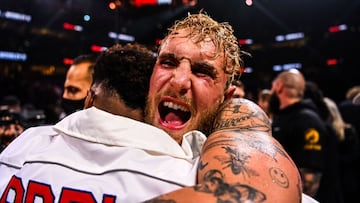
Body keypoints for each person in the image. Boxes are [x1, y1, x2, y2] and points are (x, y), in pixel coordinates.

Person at [1, 12, 313, 203]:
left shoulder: (206, 171)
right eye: (168, 62)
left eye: (202, 71)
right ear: (151, 76)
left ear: (226, 97)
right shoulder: (34, 143)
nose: (179, 80)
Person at [269, 69, 329, 202]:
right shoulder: (284, 117)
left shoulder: (307, 120)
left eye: (272, 87)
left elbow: (310, 174)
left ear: (279, 86)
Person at [324, 97, 359, 203]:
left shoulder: (347, 131)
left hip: (346, 180)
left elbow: (355, 155)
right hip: (339, 179)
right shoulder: (344, 131)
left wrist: (334, 159)